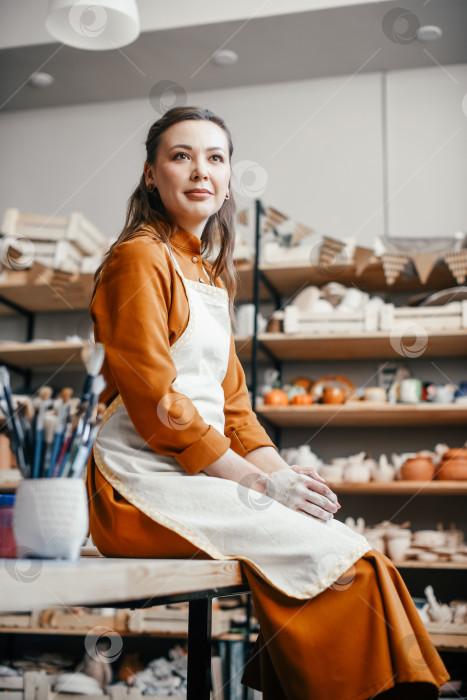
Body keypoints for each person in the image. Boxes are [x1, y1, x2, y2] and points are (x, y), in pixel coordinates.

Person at [86, 106, 449, 699]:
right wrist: (258, 489)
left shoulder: (209, 275)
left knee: (351, 548)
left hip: (196, 473)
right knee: (343, 571)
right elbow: (157, 404)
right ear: (151, 174)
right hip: (136, 485)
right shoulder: (138, 258)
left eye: (216, 158)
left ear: (229, 177)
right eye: (182, 156)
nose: (200, 171)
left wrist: (285, 478)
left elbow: (235, 411)